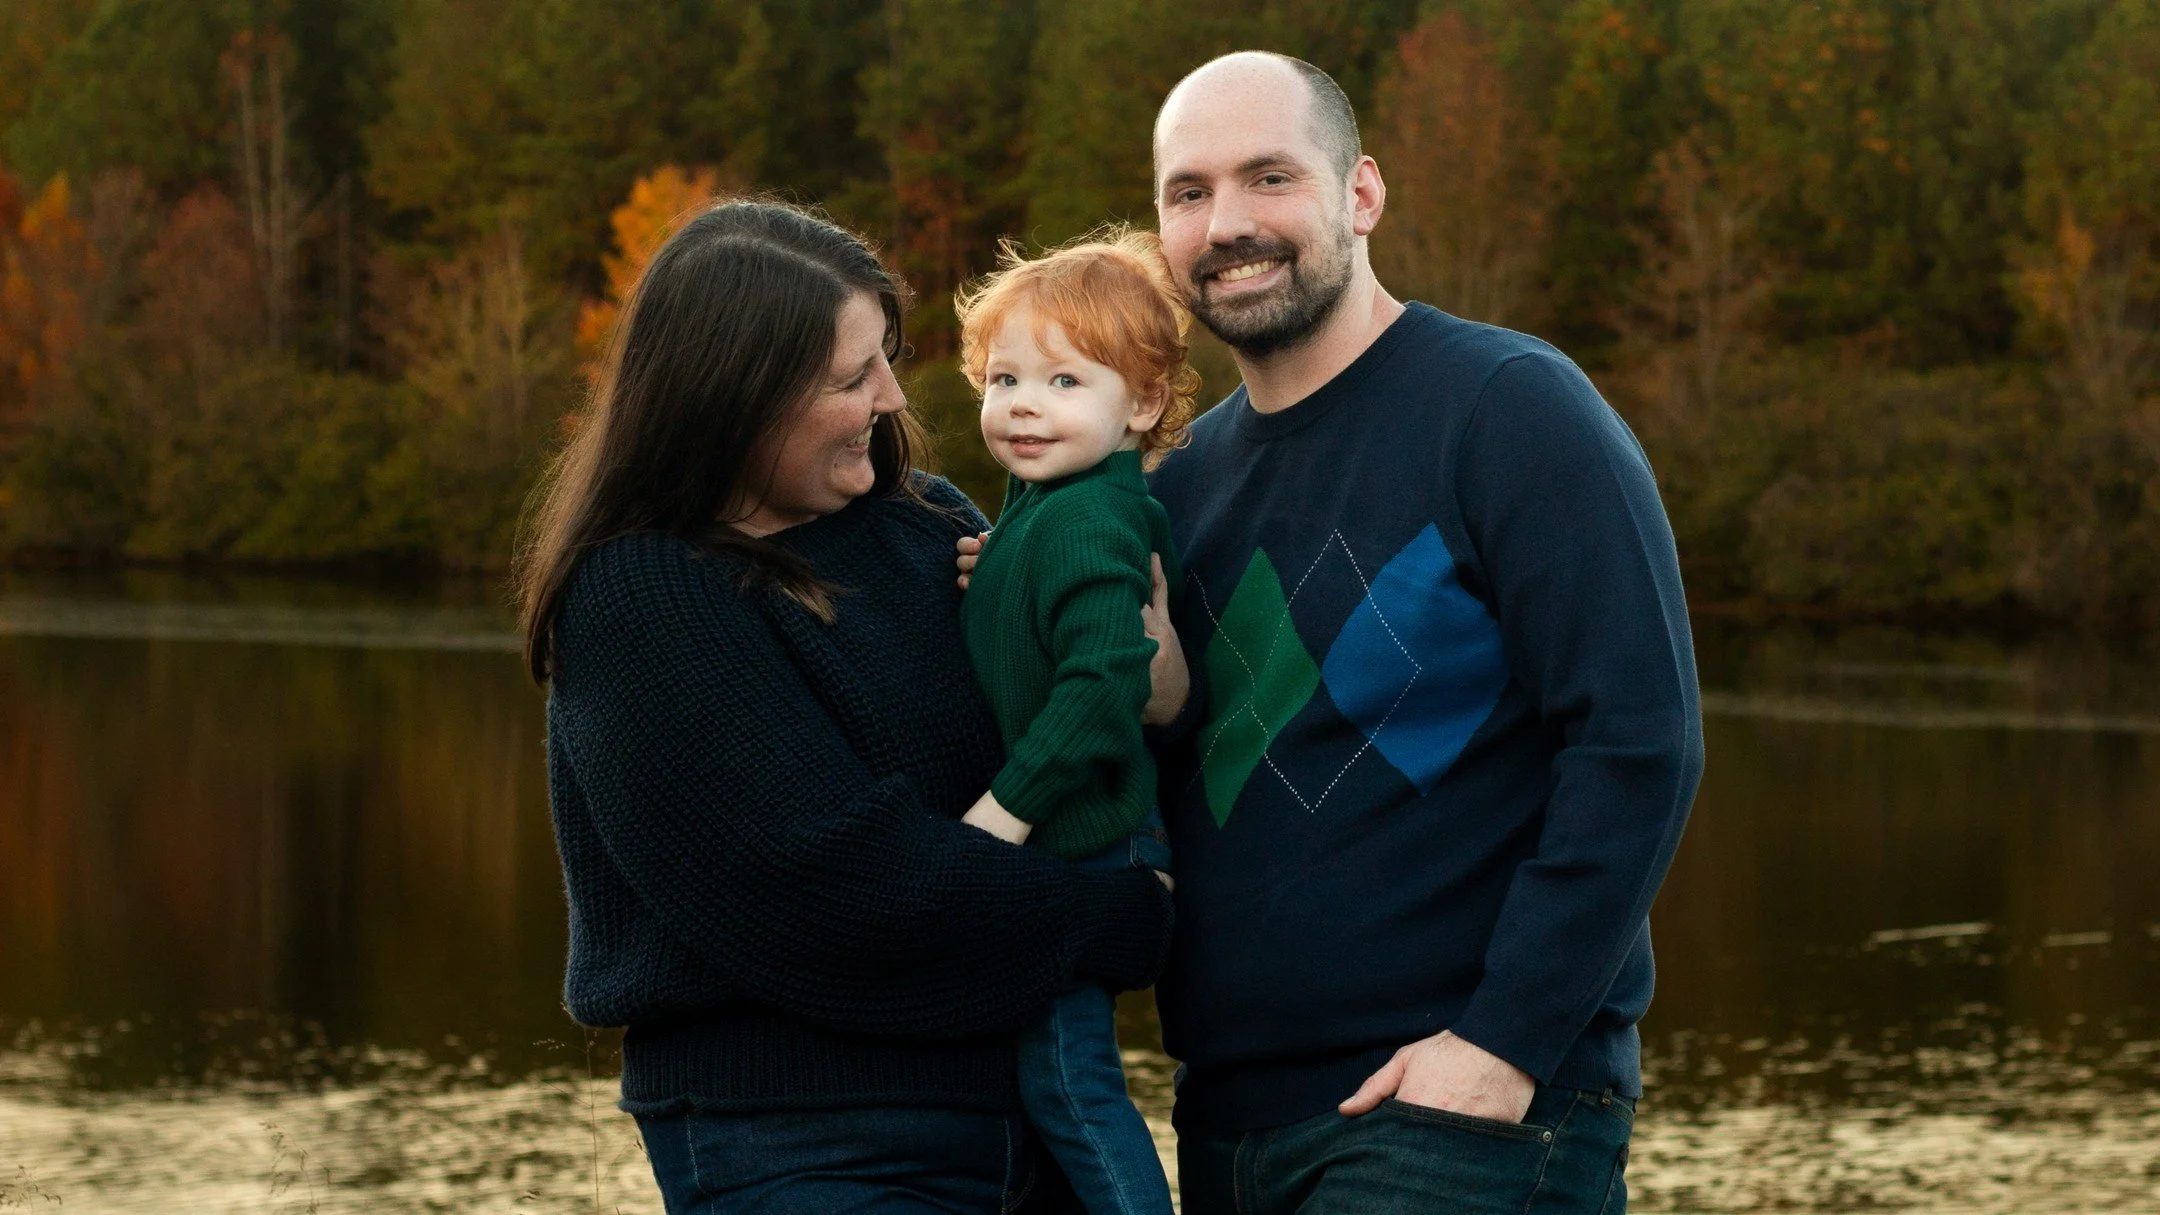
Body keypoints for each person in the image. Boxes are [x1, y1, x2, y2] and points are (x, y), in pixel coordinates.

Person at [962, 52, 1704, 1214]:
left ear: (1361, 194)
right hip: (1227, 1123)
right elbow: (1135, 746)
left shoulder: (1508, 409)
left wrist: (1504, 1045)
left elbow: (1639, 743)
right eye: (1190, 193)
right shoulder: (1172, 484)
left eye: (1270, 178)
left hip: (1454, 1119)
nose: (1229, 225)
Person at [516, 199, 1180, 1214]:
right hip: (808, 1148)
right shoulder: (642, 596)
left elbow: (1079, 740)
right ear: (735, 400)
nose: (889, 394)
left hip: (1035, 1116)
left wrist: (1124, 643)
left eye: (886, 356)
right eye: (849, 375)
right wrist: (1127, 919)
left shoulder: (933, 528)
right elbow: (833, 887)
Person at [951, 228, 1199, 1215]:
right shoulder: (1044, 509)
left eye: (1063, 384)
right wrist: (997, 564)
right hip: (1070, 838)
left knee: (1068, 1075)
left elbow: (1103, 681)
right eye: (1003, 378)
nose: (1021, 405)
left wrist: (1005, 812)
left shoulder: (1092, 520)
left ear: (1139, 406)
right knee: (1043, 1071)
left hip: (1086, 838)